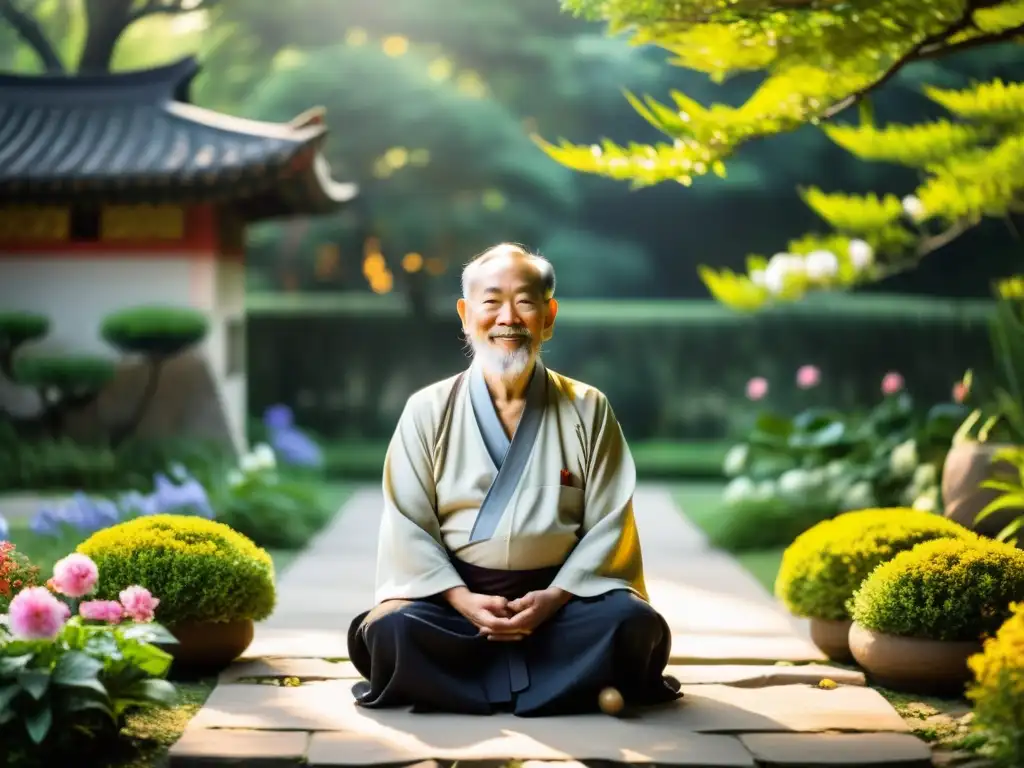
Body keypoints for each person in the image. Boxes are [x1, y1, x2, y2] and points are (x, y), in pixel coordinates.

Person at [347, 243, 681, 717]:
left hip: (563, 604)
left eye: (525, 301)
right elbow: (407, 524)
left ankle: (462, 688)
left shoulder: (588, 408)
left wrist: (552, 598)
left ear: (549, 316)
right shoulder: (427, 410)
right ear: (466, 315)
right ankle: (567, 685)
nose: (509, 317)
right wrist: (462, 599)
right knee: (392, 629)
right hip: (453, 607)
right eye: (491, 302)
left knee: (631, 622)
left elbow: (610, 523)